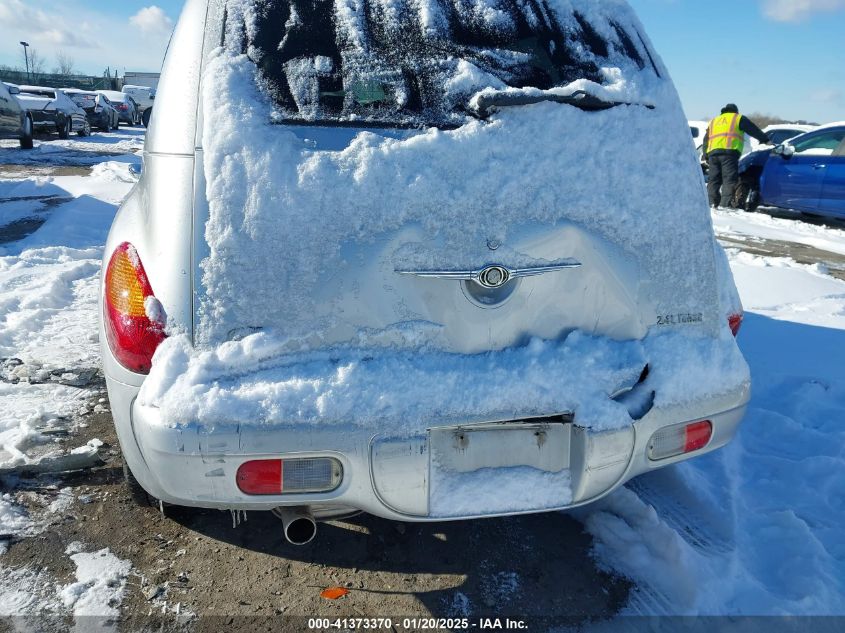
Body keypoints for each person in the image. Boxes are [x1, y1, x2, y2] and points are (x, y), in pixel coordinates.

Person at [702, 104, 770, 209]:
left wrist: (706, 154)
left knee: (713, 180)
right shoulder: (737, 118)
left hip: (713, 154)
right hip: (729, 153)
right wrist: (764, 139)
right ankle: (725, 205)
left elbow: (706, 139)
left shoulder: (714, 121)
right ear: (735, 111)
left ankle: (711, 203)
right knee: (729, 179)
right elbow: (752, 129)